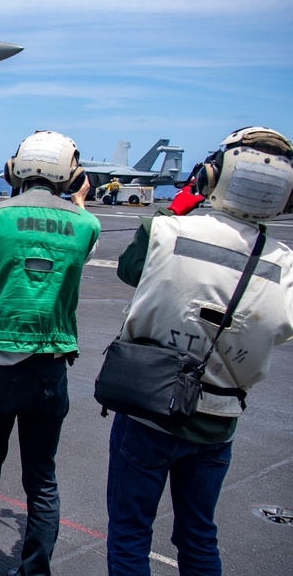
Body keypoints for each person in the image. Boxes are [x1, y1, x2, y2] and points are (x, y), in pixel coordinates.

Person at [105, 127, 293, 576]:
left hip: (148, 410)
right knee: (198, 535)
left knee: (130, 534)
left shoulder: (164, 230)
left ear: (213, 176)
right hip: (217, 420)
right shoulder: (285, 265)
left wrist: (182, 203)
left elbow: (130, 271)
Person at [0, 130, 99, 576]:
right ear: (71, 175)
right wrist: (78, 203)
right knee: (42, 482)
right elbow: (81, 250)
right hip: (49, 370)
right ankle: (34, 570)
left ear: (14, 169)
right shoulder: (87, 226)